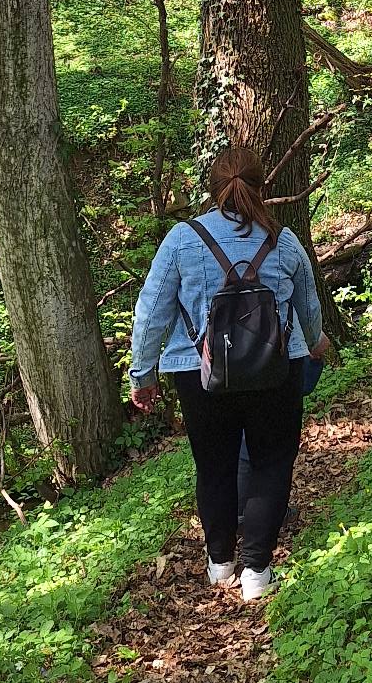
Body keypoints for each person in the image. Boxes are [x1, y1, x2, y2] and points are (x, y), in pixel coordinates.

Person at [129, 145, 328, 602]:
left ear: (212, 189)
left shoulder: (182, 238)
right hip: (276, 371)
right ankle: (257, 570)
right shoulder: (283, 239)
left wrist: (143, 374)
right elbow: (308, 306)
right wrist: (314, 340)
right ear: (261, 187)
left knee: (214, 467)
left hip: (200, 376)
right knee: (271, 463)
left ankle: (220, 564)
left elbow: (151, 310)